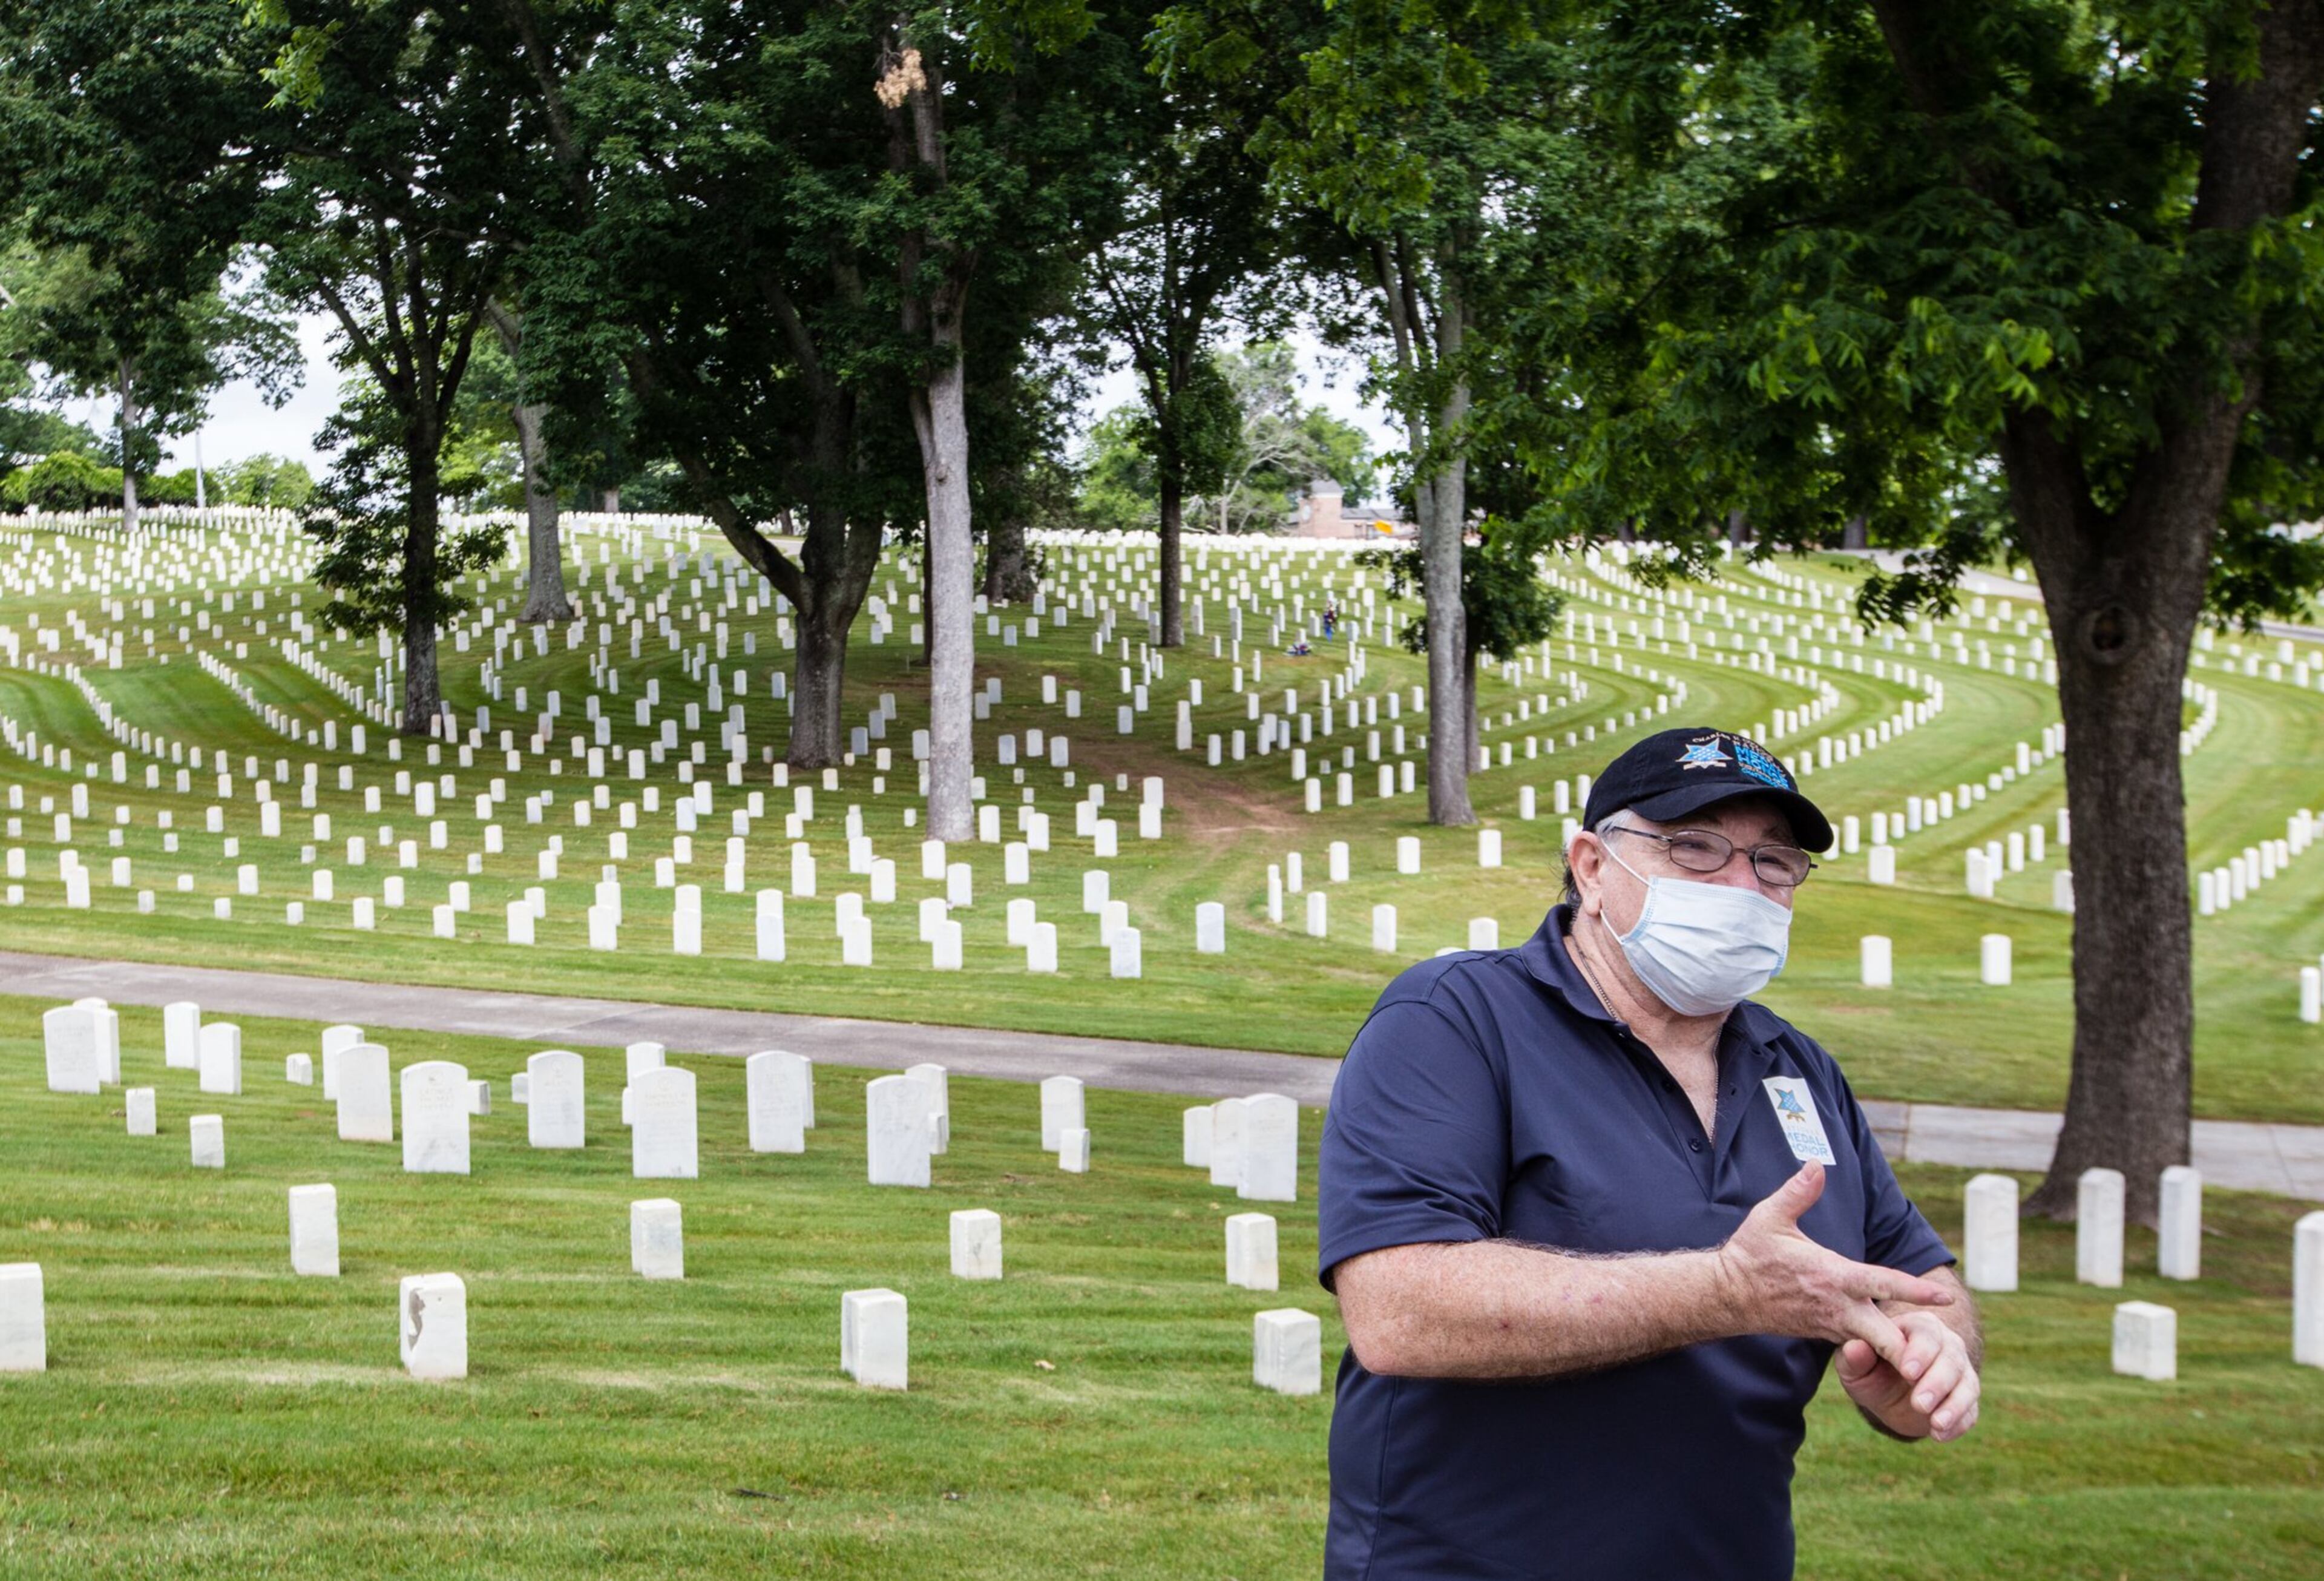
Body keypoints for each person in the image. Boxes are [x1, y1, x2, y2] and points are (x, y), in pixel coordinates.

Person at [1318, 726, 1981, 1580]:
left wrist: (1930, 1355)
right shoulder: (1455, 1020)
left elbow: (1922, 1285)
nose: (1743, 885)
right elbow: (1398, 1310)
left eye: (1774, 864)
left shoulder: (1803, 1071)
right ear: (1594, 867)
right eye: (1696, 848)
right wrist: (1724, 1291)